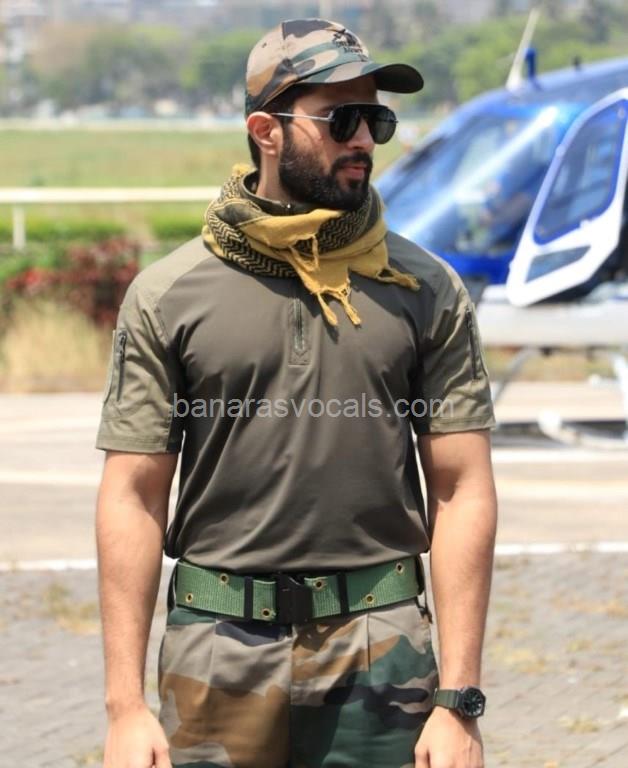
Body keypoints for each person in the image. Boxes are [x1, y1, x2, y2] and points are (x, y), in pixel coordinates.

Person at [95, 18, 497, 768]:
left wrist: (458, 701)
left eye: (375, 119)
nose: (364, 139)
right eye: (340, 119)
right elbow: (134, 496)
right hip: (214, 650)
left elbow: (461, 487)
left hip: (381, 648)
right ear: (265, 131)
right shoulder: (168, 295)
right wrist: (125, 706)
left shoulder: (426, 289)